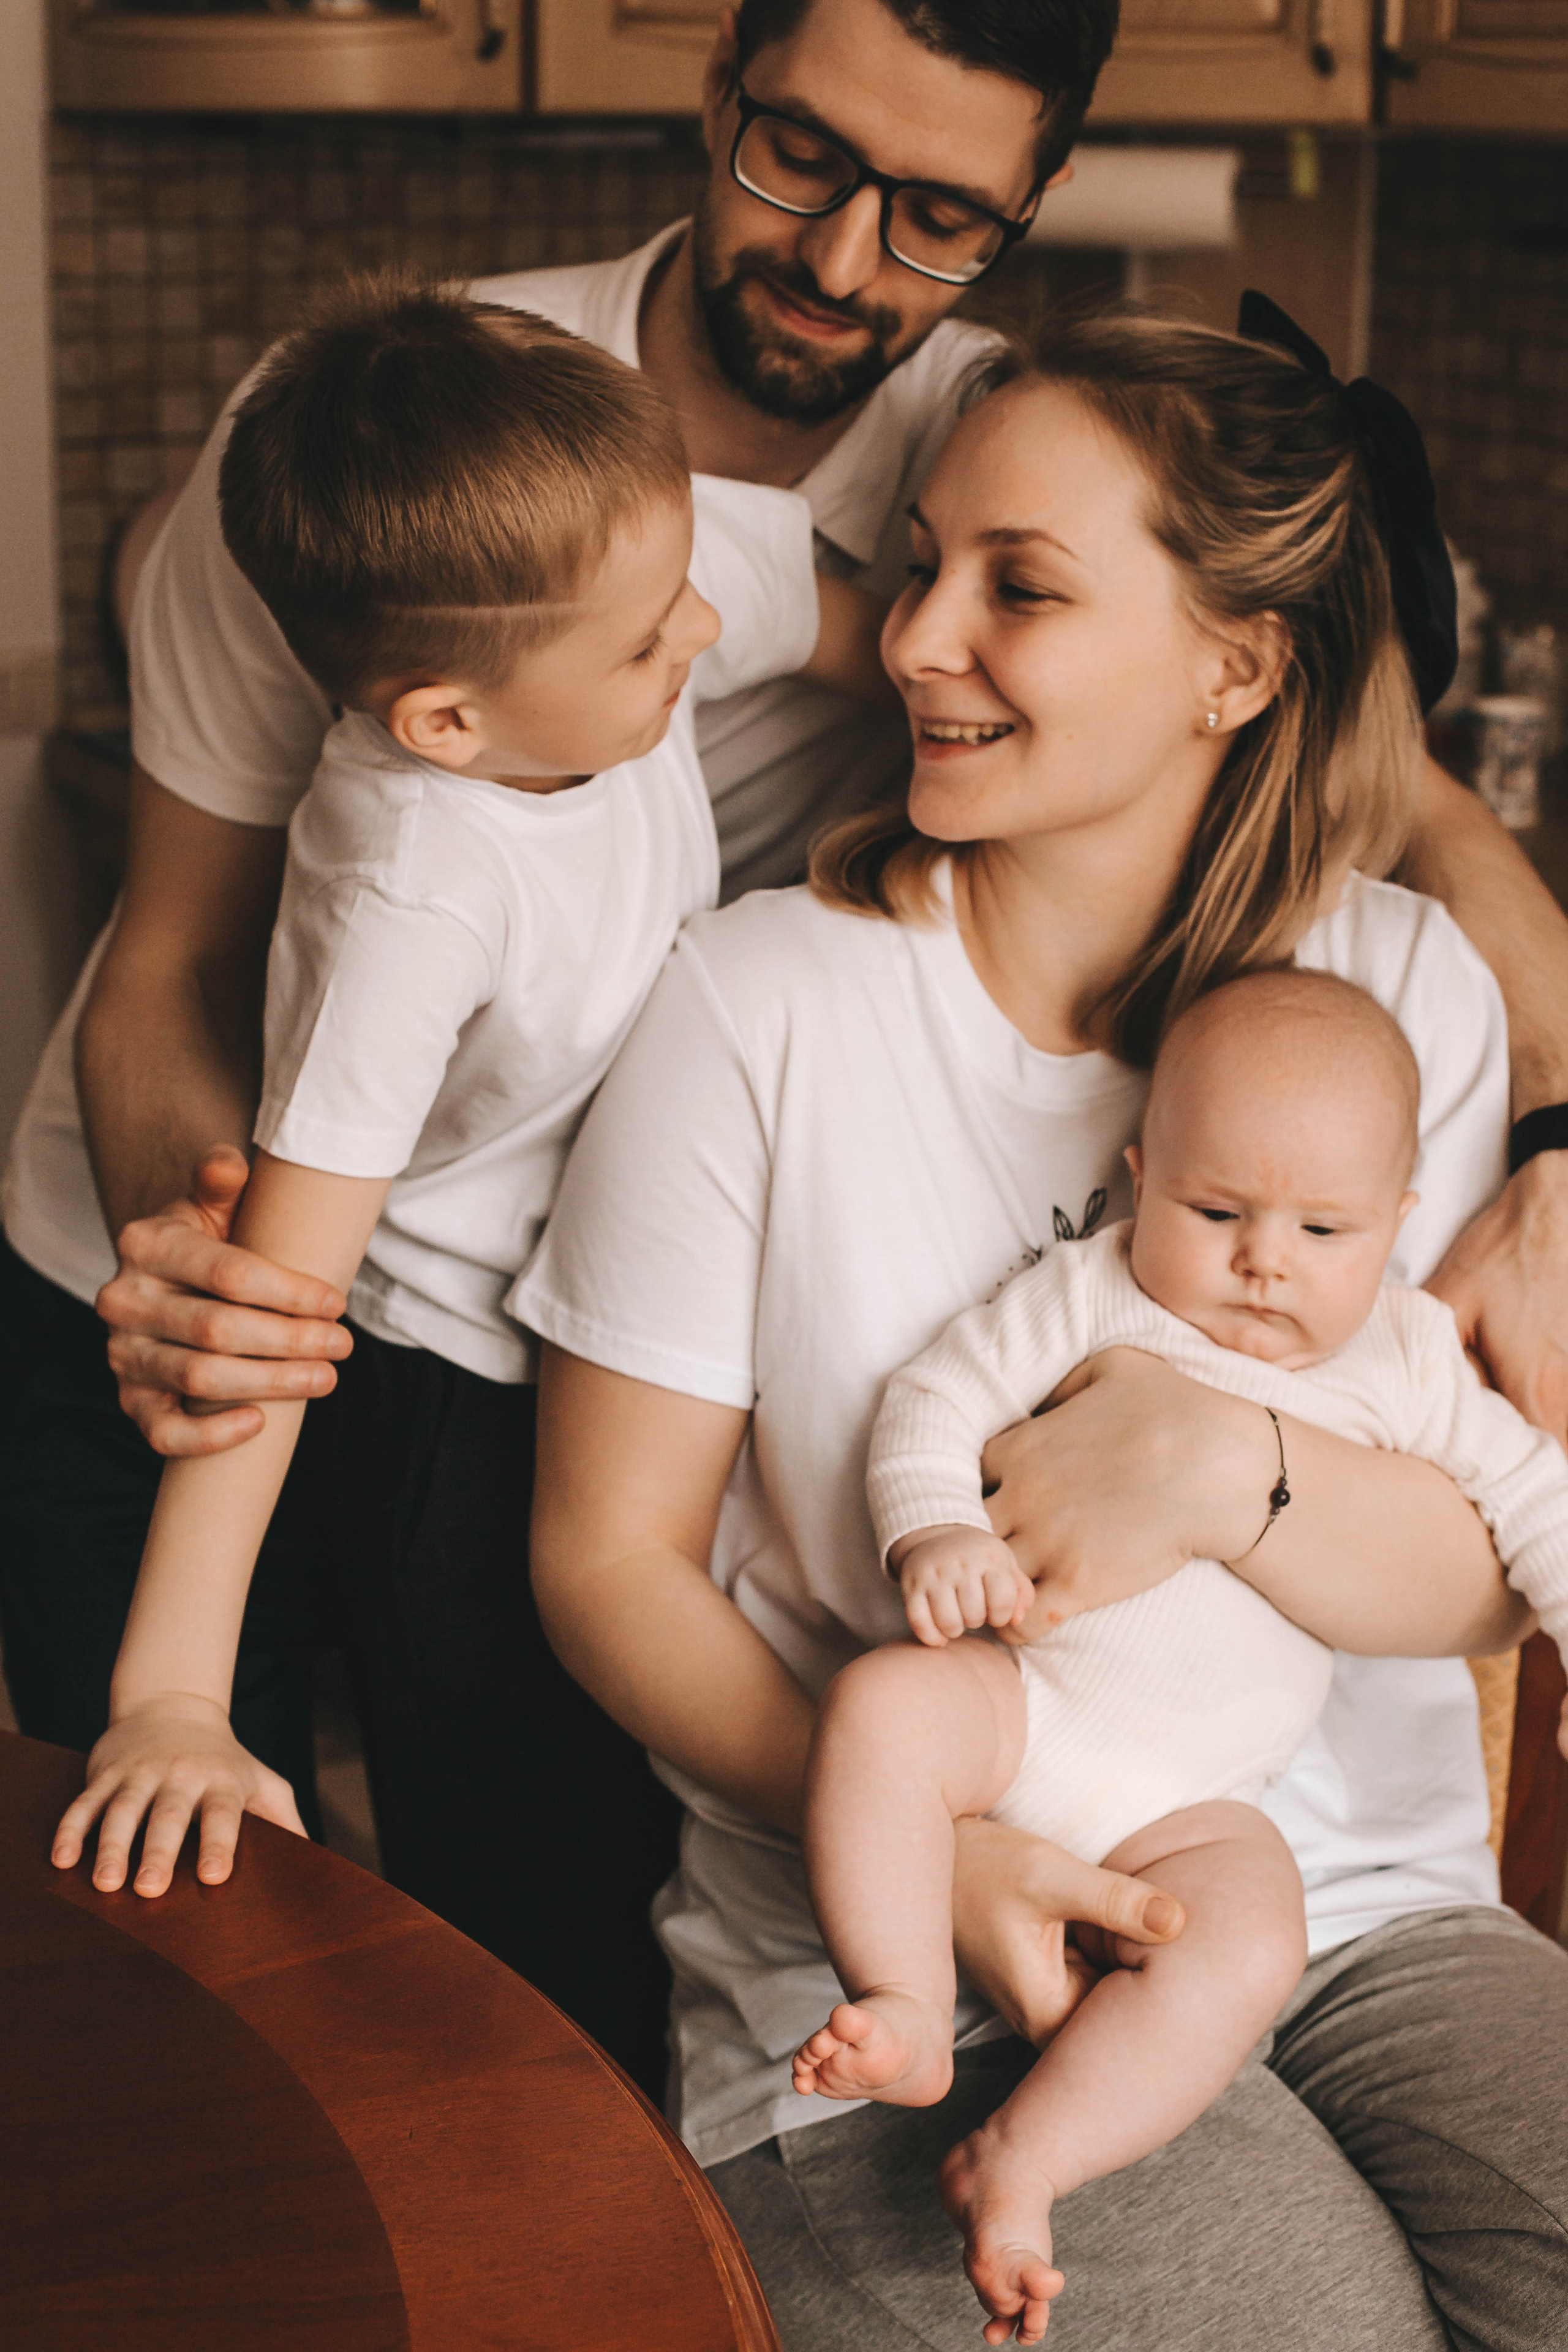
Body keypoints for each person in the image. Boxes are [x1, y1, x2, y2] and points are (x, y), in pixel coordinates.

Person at [0, 0, 1565, 2046]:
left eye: (936, 217)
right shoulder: (439, 468)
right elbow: (172, 974)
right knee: (183, 1962)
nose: (842, 261)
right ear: (718, 84)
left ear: (1030, 207)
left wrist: (1551, 1141)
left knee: (518, 1990)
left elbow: (1400, 789)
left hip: (523, 1303)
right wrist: (198, 1292)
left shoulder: (982, 454)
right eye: (801, 157)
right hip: (213, 1261)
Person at [518, 311, 1568, 2347]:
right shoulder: (763, 1008)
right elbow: (602, 1559)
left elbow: (1467, 1566)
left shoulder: (1402, 986)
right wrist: (952, 1859)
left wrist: (1229, 1470)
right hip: (880, 1942)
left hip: (1354, 1911)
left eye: (1021, 588)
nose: (914, 639)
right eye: (920, 566)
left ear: (1234, 665)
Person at [44, 273, 892, 2080]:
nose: (696, 644)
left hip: (595, 1336)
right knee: (526, 1923)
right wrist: (171, 1696)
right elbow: (274, 1303)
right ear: (443, 721)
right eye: (650, 645)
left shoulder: (611, 584)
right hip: (441, 1393)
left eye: (684, 597)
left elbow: (874, 632)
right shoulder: (414, 895)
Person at [793, 968, 1568, 2346]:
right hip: (1023, 1708)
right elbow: (934, 1397)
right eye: (1214, 1214)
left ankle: (1031, 2153)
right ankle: (904, 2001)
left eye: (1320, 1229)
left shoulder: (1398, 1357)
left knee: (1246, 1935)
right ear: (1138, 1181)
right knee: (881, 1707)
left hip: (1191, 1804)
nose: (1261, 1261)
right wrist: (931, 1537)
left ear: (1395, 1229)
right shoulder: (1089, 1292)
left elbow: (1530, 1501)